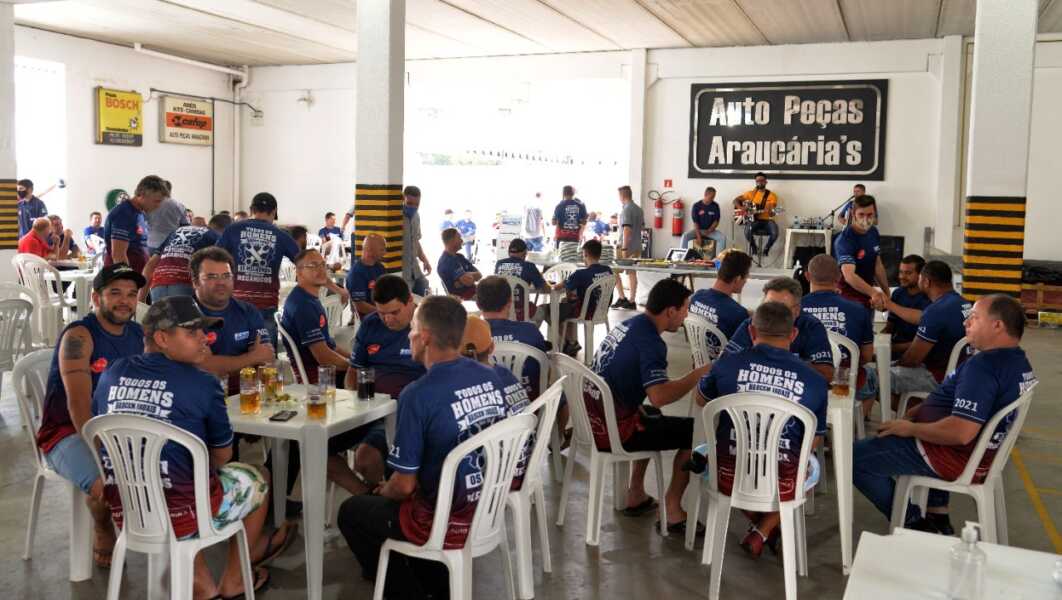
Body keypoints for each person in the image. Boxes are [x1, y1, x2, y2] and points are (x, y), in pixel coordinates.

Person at [93, 296, 291, 598]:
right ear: (161, 338)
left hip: (129, 509)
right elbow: (223, 456)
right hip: (187, 512)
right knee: (257, 477)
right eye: (192, 332)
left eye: (204, 331)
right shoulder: (202, 382)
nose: (205, 338)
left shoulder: (113, 372)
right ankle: (234, 580)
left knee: (179, 477)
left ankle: (201, 582)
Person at [338, 295, 509, 599]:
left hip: (441, 519)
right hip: (486, 506)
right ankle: (429, 575)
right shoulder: (490, 376)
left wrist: (384, 490)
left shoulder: (417, 394)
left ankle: (403, 589)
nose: (409, 335)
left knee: (352, 512)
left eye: (413, 328)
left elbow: (403, 486)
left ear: (425, 337)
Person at [854, 294, 1036, 535]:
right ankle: (937, 514)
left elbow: (960, 432)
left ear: (997, 325)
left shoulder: (984, 367)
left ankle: (914, 524)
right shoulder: (1017, 361)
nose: (966, 323)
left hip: (949, 455)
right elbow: (952, 404)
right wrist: (915, 414)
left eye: (974, 317)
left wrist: (911, 429)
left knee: (854, 458)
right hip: (975, 454)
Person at [696, 301, 828, 556]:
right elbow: (814, 440)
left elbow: (701, 400)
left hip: (728, 472)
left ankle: (761, 525)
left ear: (752, 333)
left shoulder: (725, 366)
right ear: (793, 335)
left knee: (703, 454)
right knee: (811, 469)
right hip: (783, 479)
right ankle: (766, 527)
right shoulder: (815, 380)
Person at [35, 263, 145, 569]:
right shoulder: (79, 336)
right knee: (106, 483)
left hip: (119, 427)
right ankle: (102, 525)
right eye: (115, 293)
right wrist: (103, 451)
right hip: (66, 431)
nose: (124, 300)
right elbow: (78, 403)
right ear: (96, 298)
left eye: (131, 294)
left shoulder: (138, 333)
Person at [590, 279, 709, 533]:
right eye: (685, 308)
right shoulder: (652, 343)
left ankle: (636, 493)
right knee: (696, 432)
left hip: (595, 416)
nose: (686, 314)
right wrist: (696, 375)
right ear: (670, 311)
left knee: (651, 414)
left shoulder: (628, 324)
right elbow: (660, 396)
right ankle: (674, 510)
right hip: (613, 430)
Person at [218, 192, 343, 346]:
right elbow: (309, 264)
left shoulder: (233, 230)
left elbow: (214, 257)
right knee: (267, 359)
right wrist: (337, 288)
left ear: (252, 209)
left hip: (237, 302)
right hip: (265, 304)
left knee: (235, 354)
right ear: (274, 211)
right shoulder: (280, 235)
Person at [190, 246, 274, 396]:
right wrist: (252, 357)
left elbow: (266, 358)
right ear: (195, 282)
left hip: (246, 396)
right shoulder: (185, 313)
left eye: (226, 276)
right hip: (202, 398)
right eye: (211, 277)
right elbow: (206, 366)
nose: (221, 282)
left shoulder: (248, 311)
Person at [801, 255, 875, 412]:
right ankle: (850, 427)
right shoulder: (859, 309)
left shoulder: (794, 308)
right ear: (839, 277)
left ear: (807, 276)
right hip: (843, 383)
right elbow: (867, 356)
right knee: (871, 380)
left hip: (805, 379)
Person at [725, 276, 834, 382]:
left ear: (796, 310)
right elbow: (725, 360)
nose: (772, 314)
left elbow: (826, 373)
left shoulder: (811, 326)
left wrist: (778, 362)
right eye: (768, 306)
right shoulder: (753, 323)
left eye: (782, 308)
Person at [890, 260, 973, 399]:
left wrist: (893, 364)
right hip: (962, 373)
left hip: (938, 377)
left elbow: (912, 360)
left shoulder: (935, 311)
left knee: (874, 377)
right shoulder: (965, 304)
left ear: (927, 282)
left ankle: (921, 411)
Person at [344, 274, 426, 396]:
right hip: (371, 403)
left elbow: (440, 377)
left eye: (394, 312)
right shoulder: (370, 324)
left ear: (410, 300)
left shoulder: (427, 325)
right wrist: (351, 398)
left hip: (412, 402)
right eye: (381, 313)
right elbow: (353, 371)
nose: (388, 319)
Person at [279, 249, 350, 384]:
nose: (321, 270)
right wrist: (356, 367)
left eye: (323, 265)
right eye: (313, 266)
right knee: (378, 378)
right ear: (298, 272)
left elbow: (330, 346)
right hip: (319, 380)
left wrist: (355, 359)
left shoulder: (309, 298)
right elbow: (324, 358)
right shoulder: (302, 305)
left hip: (327, 372)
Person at [476, 275, 549, 396]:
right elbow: (544, 370)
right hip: (529, 404)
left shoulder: (469, 336)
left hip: (489, 404)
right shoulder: (530, 331)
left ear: (478, 304)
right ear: (510, 302)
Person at [546, 239, 614, 357]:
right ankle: (571, 342)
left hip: (586, 312)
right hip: (601, 310)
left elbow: (558, 287)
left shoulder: (581, 274)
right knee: (566, 304)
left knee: (552, 311)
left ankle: (565, 343)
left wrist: (557, 284)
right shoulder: (608, 270)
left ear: (586, 254)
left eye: (583, 255)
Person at [142, 214, 230, 302]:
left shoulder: (177, 231)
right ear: (226, 230)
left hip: (158, 283)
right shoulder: (215, 236)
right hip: (184, 283)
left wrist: (140, 299)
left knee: (162, 316)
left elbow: (150, 264)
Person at [688, 249, 753, 357]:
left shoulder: (697, 297)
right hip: (723, 369)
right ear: (737, 279)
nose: (746, 281)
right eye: (746, 277)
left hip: (698, 362)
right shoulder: (737, 313)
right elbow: (744, 351)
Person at [833, 195, 889, 310]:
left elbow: (877, 265)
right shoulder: (845, 240)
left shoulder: (873, 232)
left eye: (870, 215)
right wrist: (874, 293)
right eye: (861, 214)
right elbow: (849, 276)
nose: (866, 219)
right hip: (848, 298)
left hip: (868, 295)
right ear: (853, 215)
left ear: (875, 215)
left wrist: (886, 292)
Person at [104, 175, 165, 273]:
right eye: (156, 201)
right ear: (141, 195)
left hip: (138, 274)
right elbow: (118, 255)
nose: (158, 206)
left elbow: (141, 247)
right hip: (123, 277)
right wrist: (128, 280)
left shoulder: (139, 213)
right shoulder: (124, 213)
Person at [882, 254, 932, 356]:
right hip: (894, 349)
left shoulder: (930, 297)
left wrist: (893, 348)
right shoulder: (898, 293)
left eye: (908, 273)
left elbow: (927, 342)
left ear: (921, 275)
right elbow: (889, 327)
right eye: (901, 272)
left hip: (918, 354)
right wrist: (879, 341)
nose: (902, 277)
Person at [494, 237, 548, 322]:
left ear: (509, 252)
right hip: (521, 310)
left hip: (500, 310)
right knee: (541, 312)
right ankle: (526, 333)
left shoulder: (499, 264)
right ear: (525, 253)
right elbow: (546, 288)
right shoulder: (529, 266)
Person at [613, 185, 645, 310]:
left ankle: (622, 297)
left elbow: (627, 229)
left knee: (614, 271)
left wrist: (625, 248)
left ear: (622, 196)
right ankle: (632, 300)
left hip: (625, 246)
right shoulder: (639, 209)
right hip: (637, 245)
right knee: (632, 273)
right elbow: (642, 227)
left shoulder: (626, 209)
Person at [734, 172, 780, 257]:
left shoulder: (772, 195)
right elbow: (735, 200)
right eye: (757, 181)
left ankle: (766, 249)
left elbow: (772, 213)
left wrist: (771, 212)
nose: (760, 182)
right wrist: (741, 208)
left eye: (762, 180)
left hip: (767, 220)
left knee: (775, 232)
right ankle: (754, 247)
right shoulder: (750, 194)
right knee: (747, 232)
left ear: (766, 182)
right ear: (755, 182)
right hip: (753, 220)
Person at [400, 185, 432, 296]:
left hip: (415, 269)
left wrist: (425, 260)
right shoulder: (395, 218)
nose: (413, 207)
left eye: (417, 204)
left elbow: (416, 241)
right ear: (402, 199)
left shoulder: (416, 216)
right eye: (409, 203)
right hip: (402, 273)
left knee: (427, 295)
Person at [346, 233, 388, 319]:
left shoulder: (380, 268)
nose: (385, 253)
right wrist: (382, 312)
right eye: (382, 249)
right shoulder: (357, 273)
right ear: (371, 251)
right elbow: (360, 305)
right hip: (370, 319)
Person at [146, 181, 190, 254]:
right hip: (171, 245)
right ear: (169, 190)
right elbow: (185, 227)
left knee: (151, 265)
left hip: (151, 244)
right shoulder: (179, 205)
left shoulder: (150, 203)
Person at [437, 227, 481, 300]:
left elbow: (479, 275)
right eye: (459, 237)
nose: (462, 240)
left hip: (475, 294)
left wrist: (464, 277)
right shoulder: (446, 261)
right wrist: (468, 276)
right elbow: (468, 282)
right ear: (452, 240)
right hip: (464, 299)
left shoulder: (460, 257)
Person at [682, 186, 727, 253]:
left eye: (714, 197)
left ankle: (719, 260)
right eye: (711, 197)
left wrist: (709, 230)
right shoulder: (696, 206)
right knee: (685, 236)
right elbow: (695, 223)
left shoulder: (715, 206)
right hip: (698, 230)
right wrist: (698, 236)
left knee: (722, 238)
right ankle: (682, 257)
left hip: (710, 231)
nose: (713, 199)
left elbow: (716, 221)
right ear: (705, 195)